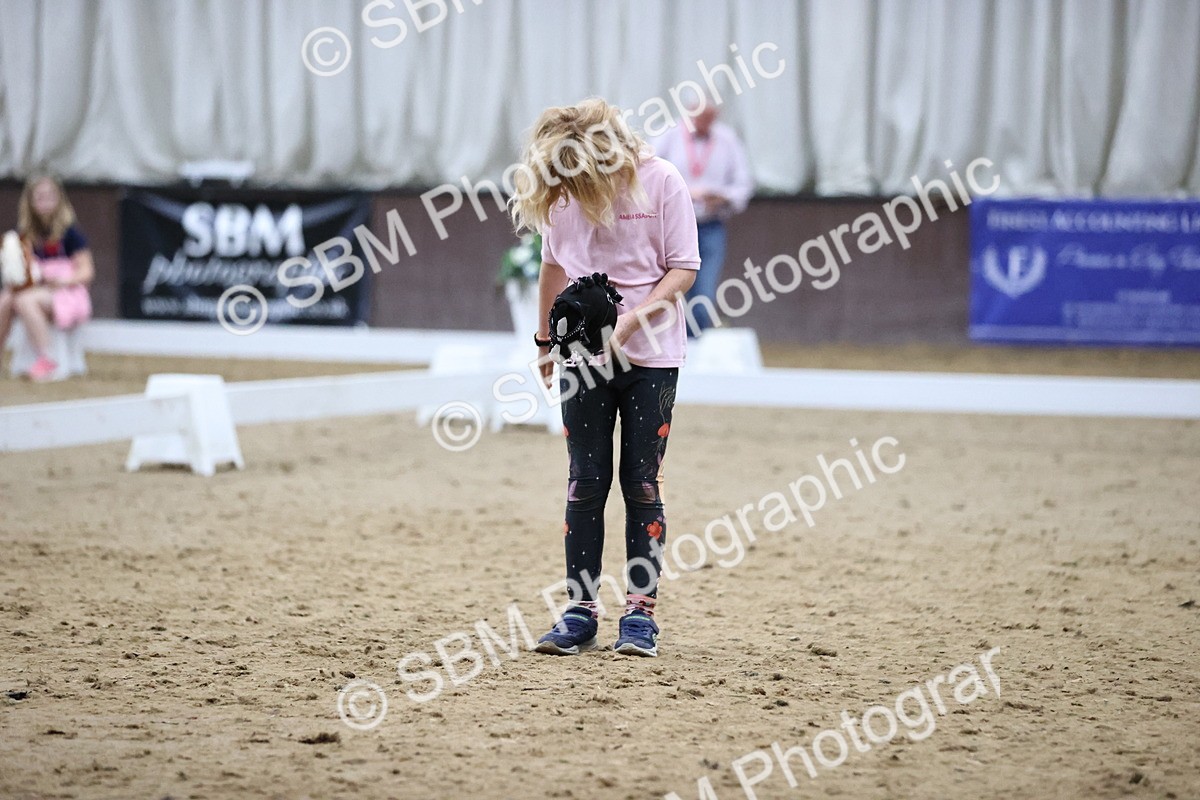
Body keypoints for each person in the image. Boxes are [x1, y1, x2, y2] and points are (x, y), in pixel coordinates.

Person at [510, 98, 700, 658]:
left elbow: (684, 268)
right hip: (583, 359)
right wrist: (546, 344)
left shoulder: (661, 180)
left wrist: (637, 319)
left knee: (642, 483)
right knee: (584, 481)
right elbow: (552, 267)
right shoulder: (563, 190)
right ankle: (580, 610)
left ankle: (640, 615)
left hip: (653, 356)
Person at [652, 97, 754, 333]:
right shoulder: (667, 136)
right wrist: (685, 193)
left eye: (709, 118)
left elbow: (743, 184)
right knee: (671, 291)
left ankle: (695, 345)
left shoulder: (727, 140)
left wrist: (722, 196)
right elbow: (650, 175)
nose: (703, 123)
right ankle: (672, 345)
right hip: (672, 228)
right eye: (699, 117)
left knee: (704, 294)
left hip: (710, 226)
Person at [0, 175, 94, 381]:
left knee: (24, 300)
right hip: (37, 290)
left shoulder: (70, 233)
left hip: (66, 293)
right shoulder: (23, 234)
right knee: (6, 299)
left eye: (50, 196)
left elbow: (87, 271)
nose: (45, 202)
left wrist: (62, 280)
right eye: (40, 197)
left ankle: (48, 357)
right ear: (30, 201)